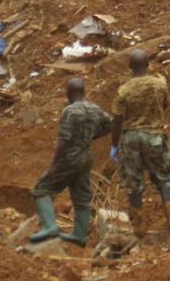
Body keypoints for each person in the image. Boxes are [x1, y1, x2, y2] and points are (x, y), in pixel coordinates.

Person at [111, 49, 170, 237]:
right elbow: (165, 104)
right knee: (164, 177)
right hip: (154, 137)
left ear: (130, 67)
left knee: (133, 181)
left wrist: (114, 145)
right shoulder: (160, 84)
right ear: (148, 65)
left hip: (131, 139)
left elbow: (117, 119)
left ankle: (139, 226)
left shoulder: (124, 90)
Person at [29, 77, 112, 246]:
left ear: (69, 93)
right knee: (81, 195)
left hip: (70, 157)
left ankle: (49, 227)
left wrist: (54, 164)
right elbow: (110, 124)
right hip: (86, 156)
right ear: (83, 92)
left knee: (41, 189)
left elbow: (63, 141)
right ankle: (80, 235)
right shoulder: (94, 108)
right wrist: (90, 136)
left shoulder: (70, 111)